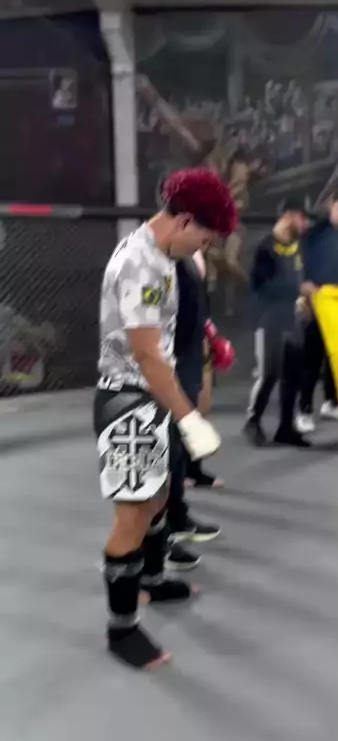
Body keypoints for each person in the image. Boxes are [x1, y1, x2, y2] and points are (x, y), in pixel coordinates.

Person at [93, 168, 238, 670]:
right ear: (184, 221)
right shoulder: (141, 264)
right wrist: (190, 418)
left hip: (152, 396)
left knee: (156, 498)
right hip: (130, 402)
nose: (204, 246)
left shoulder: (161, 258)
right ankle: (121, 630)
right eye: (205, 237)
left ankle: (152, 580)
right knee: (133, 514)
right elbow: (147, 355)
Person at [166, 250, 231, 572]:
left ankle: (177, 518)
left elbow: (195, 308)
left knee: (177, 450)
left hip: (188, 359)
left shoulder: (189, 259)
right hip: (169, 365)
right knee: (163, 453)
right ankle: (156, 546)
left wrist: (209, 336)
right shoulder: (156, 259)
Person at [244, 198, 312, 448]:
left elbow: (298, 278)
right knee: (269, 373)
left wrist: (303, 301)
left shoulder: (296, 247)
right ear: (289, 216)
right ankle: (253, 421)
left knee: (292, 375)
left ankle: (286, 427)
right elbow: (260, 287)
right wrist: (297, 290)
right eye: (302, 218)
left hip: (292, 320)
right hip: (269, 319)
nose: (305, 224)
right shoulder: (265, 247)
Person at [296, 185, 338, 433]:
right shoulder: (314, 235)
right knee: (312, 359)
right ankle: (303, 410)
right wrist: (304, 292)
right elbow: (299, 267)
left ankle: (332, 402)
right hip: (318, 304)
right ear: (330, 206)